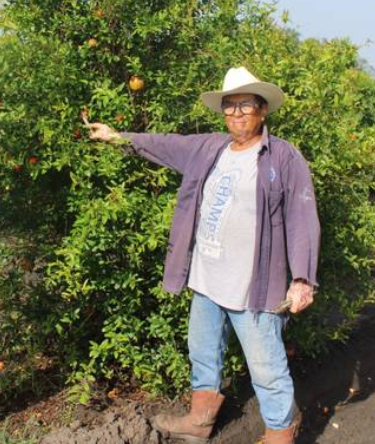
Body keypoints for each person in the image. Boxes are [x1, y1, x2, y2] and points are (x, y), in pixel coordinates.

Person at [87, 66, 319, 444]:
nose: (236, 113)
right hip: (207, 278)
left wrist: (302, 278)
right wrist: (117, 137)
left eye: (245, 105)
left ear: (262, 110)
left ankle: (280, 432)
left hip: (255, 287)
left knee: (266, 366)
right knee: (203, 352)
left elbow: (302, 216)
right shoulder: (209, 148)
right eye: (230, 106)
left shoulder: (283, 158)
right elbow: (165, 144)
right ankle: (200, 420)